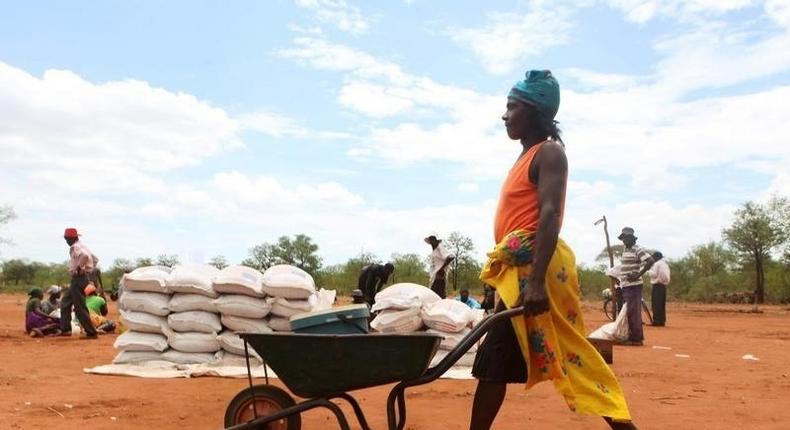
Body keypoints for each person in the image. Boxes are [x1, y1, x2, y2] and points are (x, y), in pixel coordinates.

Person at [469, 70, 638, 429]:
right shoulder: (526, 157)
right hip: (521, 273)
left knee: (552, 355)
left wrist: (538, 282)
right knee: (507, 359)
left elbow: (549, 214)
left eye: (511, 107)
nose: (504, 115)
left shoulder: (549, 153)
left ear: (533, 111)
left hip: (535, 270)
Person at [617, 227, 654, 345]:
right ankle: (630, 336)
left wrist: (638, 274)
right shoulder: (625, 249)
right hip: (625, 285)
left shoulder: (638, 249)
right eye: (623, 238)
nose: (624, 240)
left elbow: (650, 260)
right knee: (628, 312)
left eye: (626, 238)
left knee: (633, 312)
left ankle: (637, 339)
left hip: (633, 285)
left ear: (632, 238)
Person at [60, 227, 99, 339]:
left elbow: (85, 256)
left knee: (79, 307)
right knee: (66, 302)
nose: (66, 241)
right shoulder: (82, 246)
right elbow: (95, 259)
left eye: (67, 239)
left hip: (78, 278)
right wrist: (89, 272)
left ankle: (91, 332)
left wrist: (79, 268)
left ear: (72, 238)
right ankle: (65, 329)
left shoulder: (75, 247)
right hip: (81, 277)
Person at [425, 234, 454, 299]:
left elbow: (451, 257)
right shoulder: (435, 250)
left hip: (439, 278)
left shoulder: (439, 247)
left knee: (437, 296)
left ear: (436, 240)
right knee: (435, 295)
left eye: (433, 239)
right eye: (430, 239)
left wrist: (441, 269)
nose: (432, 241)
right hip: (435, 277)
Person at [648, 251, 670, 327]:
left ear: (657, 257)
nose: (653, 258)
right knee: (661, 304)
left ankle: (656, 321)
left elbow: (654, 275)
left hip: (657, 285)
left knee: (656, 303)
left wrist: (649, 270)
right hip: (663, 286)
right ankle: (662, 321)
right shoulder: (665, 264)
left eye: (654, 257)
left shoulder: (657, 264)